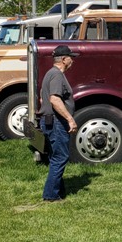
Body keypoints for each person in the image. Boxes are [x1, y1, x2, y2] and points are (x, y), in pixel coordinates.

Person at [39, 45, 79, 202]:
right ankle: (50, 195)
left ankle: (58, 191)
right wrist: (69, 118)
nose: (72, 61)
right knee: (60, 157)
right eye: (71, 58)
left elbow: (43, 98)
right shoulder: (56, 75)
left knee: (56, 157)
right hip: (56, 122)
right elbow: (54, 99)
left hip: (49, 120)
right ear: (63, 59)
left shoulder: (50, 74)